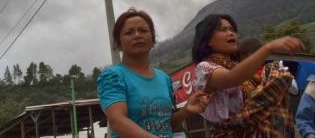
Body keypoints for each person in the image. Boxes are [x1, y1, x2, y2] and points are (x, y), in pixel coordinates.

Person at [97, 8, 210, 138]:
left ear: (152, 39)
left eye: (143, 30)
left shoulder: (164, 78)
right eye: (129, 32)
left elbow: (165, 125)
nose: (137, 35)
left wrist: (185, 111)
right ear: (119, 43)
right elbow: (117, 121)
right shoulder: (113, 76)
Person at [192, 14, 303, 137]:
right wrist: (268, 47)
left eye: (232, 29)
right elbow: (231, 78)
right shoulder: (204, 68)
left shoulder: (241, 67)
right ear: (208, 40)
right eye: (223, 30)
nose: (231, 33)